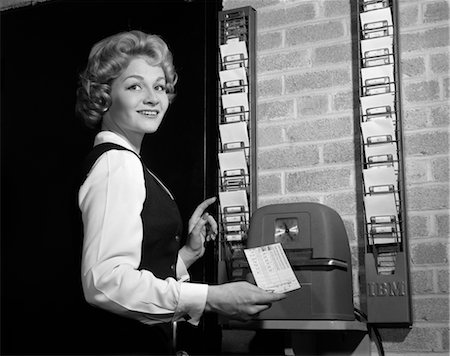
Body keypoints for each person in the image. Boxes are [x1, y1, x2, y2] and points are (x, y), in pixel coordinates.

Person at [75, 30, 286, 355]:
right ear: (104, 96)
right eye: (134, 86)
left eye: (159, 87)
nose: (152, 97)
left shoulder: (127, 161)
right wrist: (213, 298)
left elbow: (139, 268)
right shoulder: (117, 164)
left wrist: (188, 252)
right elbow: (104, 282)